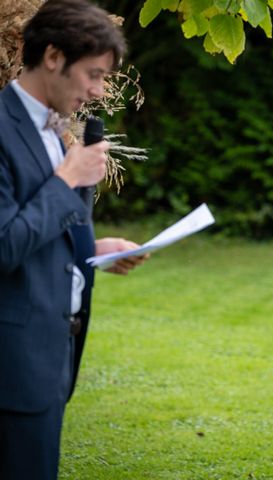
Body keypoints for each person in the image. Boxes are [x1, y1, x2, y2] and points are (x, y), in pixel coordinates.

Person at [0, 1, 147, 478]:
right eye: (94, 74)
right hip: (11, 366)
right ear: (53, 57)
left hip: (52, 358)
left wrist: (93, 252)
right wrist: (67, 180)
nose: (99, 90)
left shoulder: (55, 128)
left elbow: (37, 228)